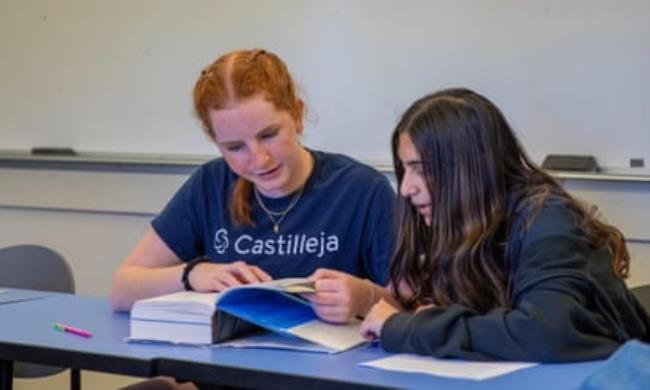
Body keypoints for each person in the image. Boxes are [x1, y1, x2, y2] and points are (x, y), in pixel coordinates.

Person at [360, 87, 650, 362]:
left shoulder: (546, 220)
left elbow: (546, 332)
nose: (406, 188)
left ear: (468, 171)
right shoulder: (460, 219)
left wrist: (413, 328)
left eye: (421, 170)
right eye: (404, 169)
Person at [110, 48, 394, 321]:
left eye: (269, 135)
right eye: (235, 147)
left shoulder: (361, 190)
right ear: (217, 143)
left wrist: (365, 297)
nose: (259, 159)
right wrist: (193, 274)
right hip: (225, 365)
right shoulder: (211, 184)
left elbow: (418, 307)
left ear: (297, 115)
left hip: (324, 368)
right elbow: (122, 290)